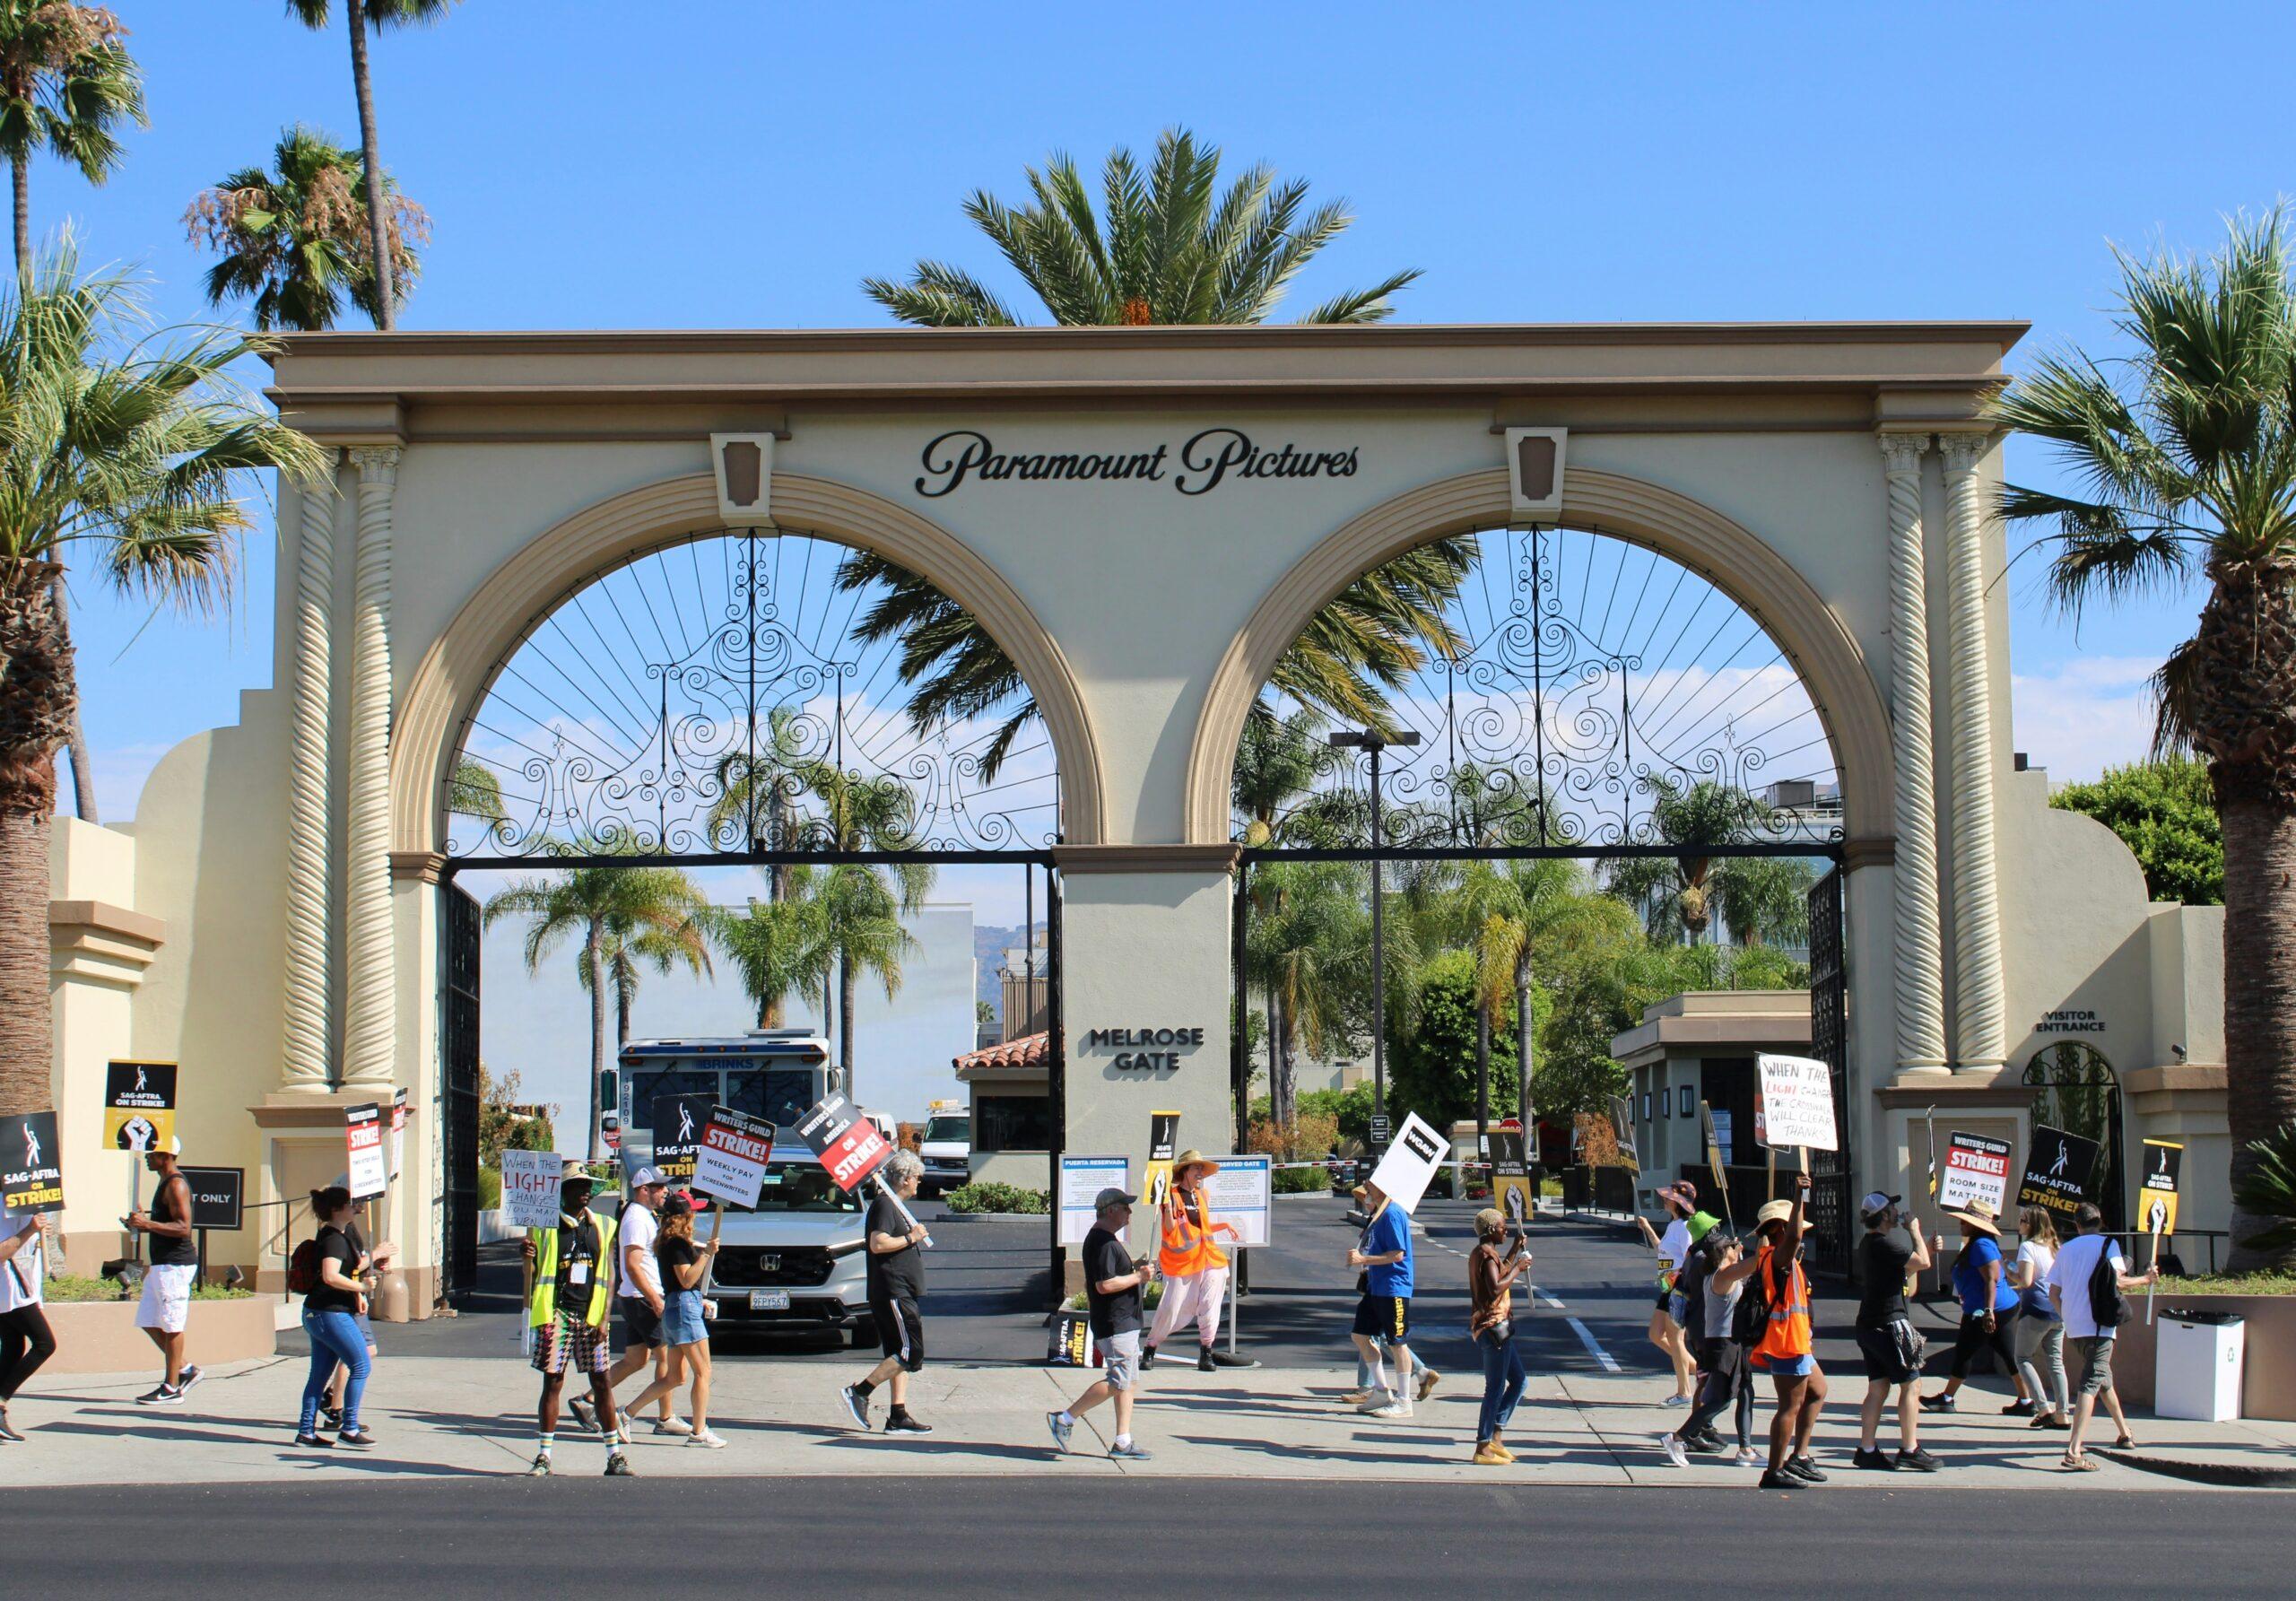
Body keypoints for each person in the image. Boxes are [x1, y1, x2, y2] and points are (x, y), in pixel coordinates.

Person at [1713, 1171, 1827, 1490]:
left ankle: (1799, 1456)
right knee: (1789, 1406)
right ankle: (1774, 1470)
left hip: (1797, 1340)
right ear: (1780, 1228)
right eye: (1794, 1227)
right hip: (1787, 1342)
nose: (1800, 1233)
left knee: (1818, 1391)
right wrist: (1799, 1197)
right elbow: (1793, 1238)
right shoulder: (1779, 1255)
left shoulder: (1777, 1257)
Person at [518, 1161, 632, 1477]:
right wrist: (526, 1255)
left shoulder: (604, 1226)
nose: (585, 1191)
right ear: (563, 1192)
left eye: (587, 1186)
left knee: (602, 1382)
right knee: (553, 1381)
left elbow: (609, 1275)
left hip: (592, 1315)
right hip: (557, 1313)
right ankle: (544, 1455)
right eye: (577, 1186)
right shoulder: (544, 1228)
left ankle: (615, 1456)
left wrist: (604, 1318)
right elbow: (532, 1271)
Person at [573, 1168, 687, 1439]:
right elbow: (633, 1265)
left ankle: (588, 1401)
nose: (665, 1192)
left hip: (635, 1297)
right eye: (659, 1188)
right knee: (668, 1360)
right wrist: (655, 1300)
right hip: (642, 1298)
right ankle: (665, 1417)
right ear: (643, 1190)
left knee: (636, 1360)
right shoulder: (637, 1218)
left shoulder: (643, 1216)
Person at [2047, 1201, 2159, 1471]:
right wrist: (2146, 1280)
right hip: (2100, 1325)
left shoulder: (2066, 1249)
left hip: (2075, 1326)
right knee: (2091, 1383)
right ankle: (2074, 1451)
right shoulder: (2109, 1245)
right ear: (2100, 1221)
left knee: (2102, 1378)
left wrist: (2067, 1315)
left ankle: (2125, 1432)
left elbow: (2053, 1292)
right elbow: (2118, 1282)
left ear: (2076, 1224)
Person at [1048, 1186, 1154, 1460]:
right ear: (1111, 1210)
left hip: (1124, 1323)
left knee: (1128, 1382)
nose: (1129, 1212)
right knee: (1118, 1383)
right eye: (1125, 1207)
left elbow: (1113, 1277)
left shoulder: (1106, 1241)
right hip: (1115, 1323)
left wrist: (1136, 1270)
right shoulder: (1103, 1242)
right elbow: (1105, 1285)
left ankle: (1123, 1441)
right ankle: (1065, 1419)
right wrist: (1138, 1278)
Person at [619, 1193, 724, 1449]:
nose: (695, 1216)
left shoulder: (668, 1242)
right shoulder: (676, 1244)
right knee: (703, 1371)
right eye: (693, 1212)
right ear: (684, 1216)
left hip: (679, 1306)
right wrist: (707, 1255)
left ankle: (625, 1413)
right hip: (683, 1307)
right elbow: (686, 1280)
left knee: (676, 1376)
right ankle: (699, 1431)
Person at [840, 1149, 934, 1436]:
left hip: (901, 1290)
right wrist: (911, 1237)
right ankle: (860, 1391)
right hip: (893, 1290)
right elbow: (877, 1244)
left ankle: (898, 1415)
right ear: (904, 1179)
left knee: (897, 1353)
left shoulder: (895, 1204)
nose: (919, 1182)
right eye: (917, 1178)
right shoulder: (884, 1205)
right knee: (911, 1351)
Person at [1849, 1192, 1942, 1471]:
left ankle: (1867, 1449)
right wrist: (1915, 1230)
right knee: (1912, 1385)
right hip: (1889, 1324)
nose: (1897, 1211)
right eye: (1892, 1207)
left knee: (1878, 1387)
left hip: (1869, 1324)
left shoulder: (1870, 1244)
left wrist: (1925, 1247)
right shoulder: (1884, 1244)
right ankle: (1910, 1448)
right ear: (1884, 1215)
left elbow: (1908, 1274)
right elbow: (1922, 1264)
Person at [1143, 1150, 1249, 1372]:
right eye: (1196, 1168)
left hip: (1210, 1258)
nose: (1200, 1172)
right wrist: (1168, 1209)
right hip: (1182, 1262)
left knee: (1211, 1304)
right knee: (1172, 1307)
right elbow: (1171, 1229)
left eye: (1201, 1168)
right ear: (1185, 1171)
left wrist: (1225, 1226)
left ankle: (1206, 1352)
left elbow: (1203, 1228)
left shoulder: (1202, 1196)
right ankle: (1150, 1347)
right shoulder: (1171, 1195)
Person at [1663, 1229, 1760, 1466]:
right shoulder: (1722, 1275)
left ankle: (1746, 1449)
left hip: (1732, 1341)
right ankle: (1677, 1437)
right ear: (1722, 1253)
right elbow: (1759, 1261)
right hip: (1722, 1343)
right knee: (1722, 1399)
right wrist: (1765, 1233)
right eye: (1731, 1246)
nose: (1736, 1248)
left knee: (1746, 1392)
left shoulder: (1725, 1273)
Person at [1922, 1199, 2030, 1413]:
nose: (1961, 1225)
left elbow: (1991, 1279)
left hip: (1986, 1310)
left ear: (1976, 1225)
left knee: (1965, 1352)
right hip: (1997, 1308)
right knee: (2007, 1355)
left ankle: (1947, 1398)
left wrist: (1988, 1312)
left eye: (1966, 1222)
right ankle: (2026, 1401)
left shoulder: (1981, 1245)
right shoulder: (1981, 1243)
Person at [293, 1187, 377, 1449]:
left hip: (320, 1312)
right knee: (361, 1364)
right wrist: (362, 1288)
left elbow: (345, 1271)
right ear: (336, 1209)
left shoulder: (336, 1235)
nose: (357, 1207)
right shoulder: (333, 1238)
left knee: (318, 1376)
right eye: (351, 1204)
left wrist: (357, 1294)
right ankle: (349, 1427)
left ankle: (306, 1432)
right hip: (330, 1313)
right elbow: (330, 1276)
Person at [126, 1139, 202, 1405]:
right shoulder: (164, 1182)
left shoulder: (176, 1184)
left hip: (175, 1265)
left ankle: (171, 1387)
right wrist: (142, 1224)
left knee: (172, 1325)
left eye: (152, 1153)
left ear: (166, 1155)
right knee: (148, 1320)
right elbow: (165, 1223)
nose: (147, 1157)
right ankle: (185, 1370)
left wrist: (147, 1223)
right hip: (161, 1264)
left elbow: (183, 1227)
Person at [1347, 1177, 1419, 1419]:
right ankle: (1380, 1390)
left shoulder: (1392, 1214)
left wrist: (1363, 1260)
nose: (1366, 1187)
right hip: (1377, 1286)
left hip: (1394, 1287)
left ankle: (1404, 1401)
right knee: (1360, 1335)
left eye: (1371, 1184)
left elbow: (1397, 1255)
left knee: (1397, 1343)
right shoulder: (1379, 1214)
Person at [1467, 1206, 1531, 1465]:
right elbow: (1495, 1288)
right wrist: (1518, 1269)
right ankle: (1483, 1446)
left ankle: (1496, 1434)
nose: (1506, 1231)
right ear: (1492, 1229)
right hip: (1492, 1328)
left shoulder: (1485, 1252)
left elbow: (1497, 1273)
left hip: (1498, 1328)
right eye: (1504, 1228)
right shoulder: (1485, 1254)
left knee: (1519, 1381)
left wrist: (1515, 1248)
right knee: (1494, 1388)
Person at [1633, 1181, 1700, 1404]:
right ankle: (1702, 1373)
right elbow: (1663, 1250)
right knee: (1656, 1334)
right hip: (1668, 1287)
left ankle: (1684, 1392)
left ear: (1679, 1202)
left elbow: (1690, 1259)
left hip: (1679, 1289)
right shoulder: (1674, 1225)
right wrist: (1648, 1227)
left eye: (1669, 1197)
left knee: (1675, 1338)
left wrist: (1682, 1286)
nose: (1665, 1199)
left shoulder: (1684, 1228)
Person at [2011, 1205, 2071, 1431]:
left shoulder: (2027, 1247)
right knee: (2056, 1362)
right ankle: (2063, 1413)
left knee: (2022, 1358)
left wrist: (2008, 1270)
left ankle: (2044, 1408)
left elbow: (2025, 1281)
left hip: (2035, 1310)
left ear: (2031, 1224)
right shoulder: (2056, 1247)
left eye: (2022, 1220)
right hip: (2058, 1310)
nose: (2019, 1224)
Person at [0, 1205, 57, 1440]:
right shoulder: (4, 1205)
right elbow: (2, 1251)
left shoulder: (24, 1204)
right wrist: (30, 1229)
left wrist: (38, 1229)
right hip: (9, 1288)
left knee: (13, 1349)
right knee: (44, 1344)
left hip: (18, 1288)